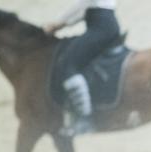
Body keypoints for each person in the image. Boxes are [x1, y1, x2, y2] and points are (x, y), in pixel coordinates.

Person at [44, 0, 120, 136]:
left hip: (100, 27)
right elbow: (84, 10)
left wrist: (57, 24)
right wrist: (62, 24)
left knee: (67, 64)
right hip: (103, 24)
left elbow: (82, 5)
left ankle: (84, 120)